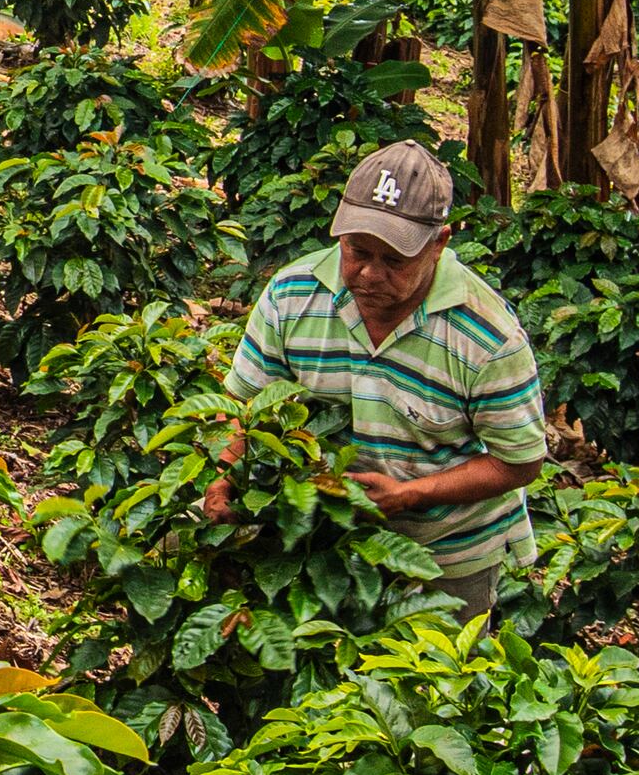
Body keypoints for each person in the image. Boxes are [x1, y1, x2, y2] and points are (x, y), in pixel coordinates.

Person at [218, 139, 550, 611]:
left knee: (432, 679)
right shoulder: (292, 295)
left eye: (394, 260)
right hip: (319, 537)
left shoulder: (487, 337)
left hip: (446, 554)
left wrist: (412, 494)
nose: (369, 275)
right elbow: (246, 406)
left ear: (439, 244)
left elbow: (519, 462)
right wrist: (222, 477)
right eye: (356, 251)